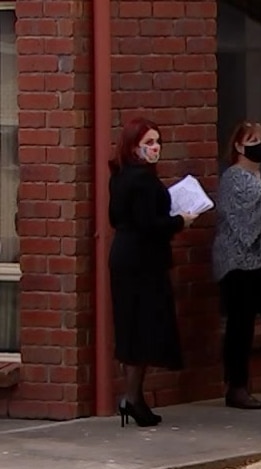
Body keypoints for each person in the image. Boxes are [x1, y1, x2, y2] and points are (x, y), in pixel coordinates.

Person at [108, 117, 198, 427]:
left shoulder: (121, 176)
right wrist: (180, 221)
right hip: (142, 262)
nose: (155, 147)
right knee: (142, 328)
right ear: (134, 147)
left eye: (158, 141)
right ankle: (132, 398)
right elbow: (149, 224)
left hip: (126, 257)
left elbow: (118, 217)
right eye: (148, 143)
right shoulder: (142, 181)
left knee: (133, 327)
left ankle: (133, 397)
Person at [212, 121, 261, 409]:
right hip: (238, 264)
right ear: (239, 146)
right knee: (240, 326)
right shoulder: (234, 179)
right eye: (253, 140)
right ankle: (236, 386)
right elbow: (247, 226)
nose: (260, 145)